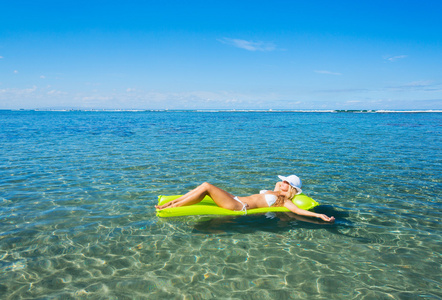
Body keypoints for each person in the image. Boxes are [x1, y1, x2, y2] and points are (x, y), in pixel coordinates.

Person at [155, 175, 335, 222]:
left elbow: (297, 210)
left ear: (292, 189)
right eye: (282, 181)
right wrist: (278, 186)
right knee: (204, 186)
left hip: (239, 206)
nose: (282, 183)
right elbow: (274, 188)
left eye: (286, 183)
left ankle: (170, 205)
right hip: (235, 198)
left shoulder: (283, 201)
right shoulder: (274, 192)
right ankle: (173, 202)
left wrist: (320, 215)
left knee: (207, 186)